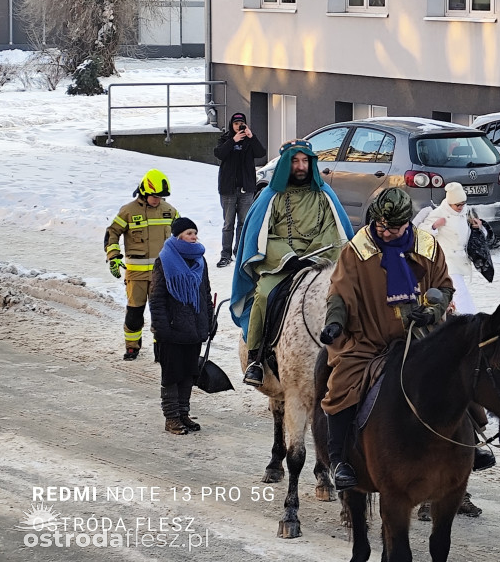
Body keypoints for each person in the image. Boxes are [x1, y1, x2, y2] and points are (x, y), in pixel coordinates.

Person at [318, 187, 457, 490]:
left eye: (393, 227)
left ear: (407, 222)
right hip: (369, 340)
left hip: (420, 339)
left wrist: (432, 313)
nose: (385, 231)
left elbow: (444, 288)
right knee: (341, 383)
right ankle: (339, 459)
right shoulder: (357, 250)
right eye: (381, 225)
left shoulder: (427, 246)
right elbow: (340, 294)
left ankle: (466, 443)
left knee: (458, 372)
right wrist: (334, 324)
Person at [230, 139, 353, 387]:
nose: (300, 166)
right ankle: (256, 358)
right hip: (282, 264)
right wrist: (289, 258)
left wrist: (315, 257)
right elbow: (263, 236)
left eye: (305, 161)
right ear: (287, 164)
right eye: (295, 161)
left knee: (348, 296)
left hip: (321, 262)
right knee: (264, 295)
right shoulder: (270, 197)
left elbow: (335, 230)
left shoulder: (325, 195)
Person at [104, 169, 180, 360]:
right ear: (145, 192)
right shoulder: (129, 211)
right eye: (155, 196)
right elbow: (112, 232)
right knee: (135, 313)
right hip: (136, 275)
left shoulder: (169, 211)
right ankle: (132, 347)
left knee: (161, 314)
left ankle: (160, 349)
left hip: (161, 275)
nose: (158, 200)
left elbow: (183, 234)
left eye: (161, 196)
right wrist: (113, 256)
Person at [149, 217, 214, 435]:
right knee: (172, 374)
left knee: (188, 373)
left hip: (194, 329)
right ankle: (171, 418)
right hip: (173, 330)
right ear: (178, 236)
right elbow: (156, 298)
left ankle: (183, 413)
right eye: (189, 233)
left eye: (195, 232)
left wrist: (209, 321)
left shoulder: (200, 261)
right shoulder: (165, 260)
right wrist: (162, 328)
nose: (193, 237)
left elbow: (205, 294)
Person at [213, 112, 266, 268]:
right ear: (232, 125)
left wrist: (252, 136)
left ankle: (240, 252)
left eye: (241, 123)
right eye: (236, 124)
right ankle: (225, 254)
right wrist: (232, 141)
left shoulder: (250, 140)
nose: (239, 126)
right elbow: (219, 154)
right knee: (228, 224)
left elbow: (261, 153)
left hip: (246, 189)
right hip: (228, 189)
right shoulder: (225, 139)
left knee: (243, 223)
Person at [423, 182, 485, 314]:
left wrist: (476, 226)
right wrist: (434, 226)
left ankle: (458, 316)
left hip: (461, 260)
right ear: (450, 203)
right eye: (458, 205)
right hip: (447, 261)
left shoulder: (465, 212)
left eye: (463, 204)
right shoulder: (439, 213)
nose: (461, 207)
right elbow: (421, 233)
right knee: (459, 292)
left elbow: (469, 229)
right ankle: (468, 318)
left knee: (456, 293)